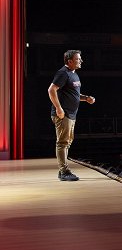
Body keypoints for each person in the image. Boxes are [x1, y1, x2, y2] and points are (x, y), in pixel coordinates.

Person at [47, 49, 95, 181]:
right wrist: (59, 109)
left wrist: (86, 98)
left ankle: (63, 170)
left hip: (71, 114)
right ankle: (64, 172)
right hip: (64, 114)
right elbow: (51, 90)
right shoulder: (63, 73)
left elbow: (73, 95)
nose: (81, 61)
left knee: (67, 142)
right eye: (78, 59)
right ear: (69, 61)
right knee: (62, 143)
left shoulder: (73, 74)